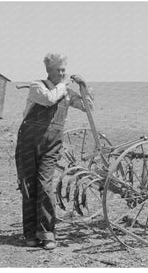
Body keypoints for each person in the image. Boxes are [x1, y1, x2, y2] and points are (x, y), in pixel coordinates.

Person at [15, 53, 94, 250]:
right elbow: (50, 99)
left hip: (51, 144)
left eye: (63, 70)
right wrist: (65, 85)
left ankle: (47, 233)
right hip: (29, 141)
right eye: (58, 70)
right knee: (28, 185)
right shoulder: (37, 86)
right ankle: (31, 234)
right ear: (49, 71)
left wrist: (85, 86)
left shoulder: (66, 92)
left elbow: (88, 107)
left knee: (45, 185)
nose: (62, 73)